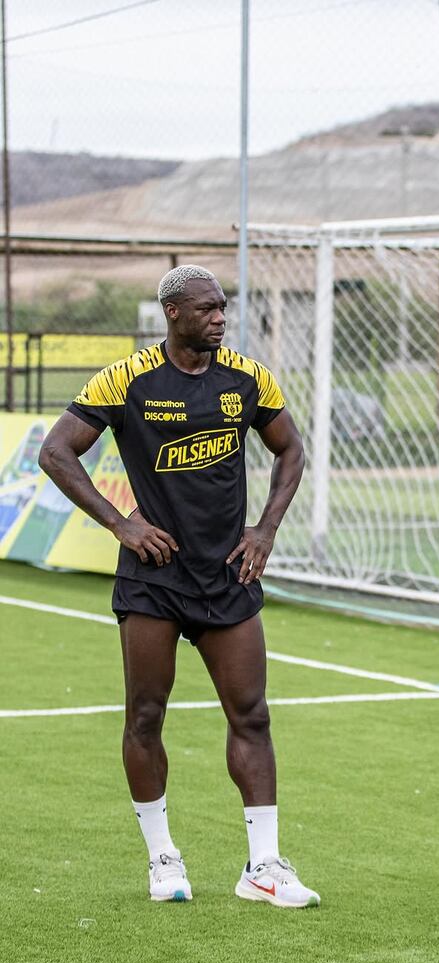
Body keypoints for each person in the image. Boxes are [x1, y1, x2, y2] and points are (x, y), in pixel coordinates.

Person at [38, 265, 319, 908]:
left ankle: (264, 867)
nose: (220, 319)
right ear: (173, 313)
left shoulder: (248, 379)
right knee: (145, 715)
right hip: (155, 580)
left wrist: (266, 530)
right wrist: (121, 523)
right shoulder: (127, 378)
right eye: (207, 309)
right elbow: (57, 451)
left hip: (228, 576)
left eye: (224, 309)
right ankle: (163, 857)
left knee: (252, 714)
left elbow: (291, 451)